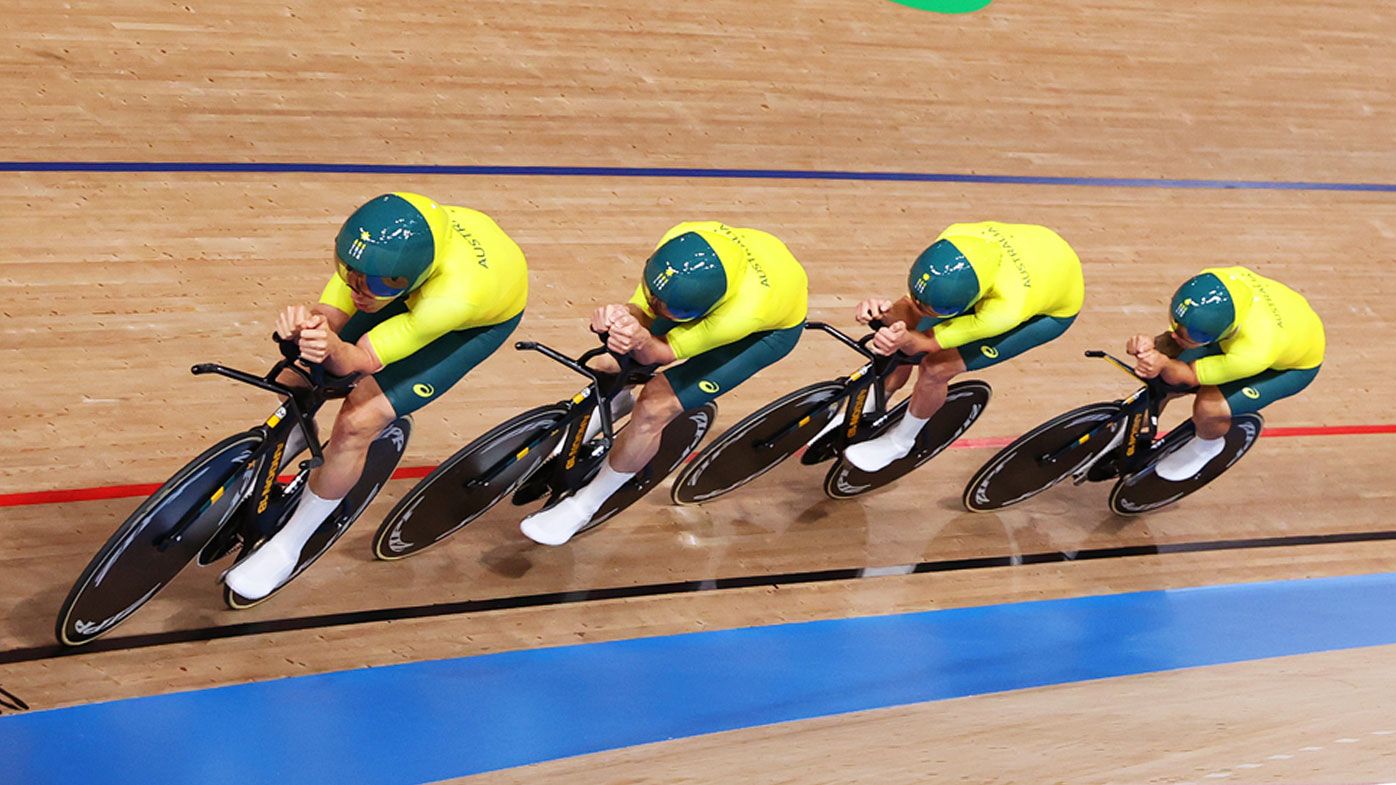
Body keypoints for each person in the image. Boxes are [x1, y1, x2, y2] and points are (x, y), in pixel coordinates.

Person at [225, 192, 528, 598]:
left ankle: (290, 544)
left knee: (357, 422)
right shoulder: (373, 257)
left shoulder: (452, 300)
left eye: (378, 284)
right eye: (350, 273)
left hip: (470, 321)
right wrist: (308, 331)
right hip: (421, 276)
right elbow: (331, 317)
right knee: (298, 372)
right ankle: (296, 431)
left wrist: (331, 348)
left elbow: (361, 358)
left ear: (406, 278)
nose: (360, 288)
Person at [519, 221, 809, 546]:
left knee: (655, 405)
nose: (659, 308)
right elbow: (642, 310)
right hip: (727, 288)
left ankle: (584, 505)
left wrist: (641, 338)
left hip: (765, 333)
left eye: (670, 309)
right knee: (609, 361)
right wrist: (620, 317)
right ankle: (615, 401)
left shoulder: (745, 313)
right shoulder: (680, 237)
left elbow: (659, 351)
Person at [845, 221, 1084, 471]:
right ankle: (876, 399)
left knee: (936, 368)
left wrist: (904, 338)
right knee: (909, 328)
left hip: (1047, 311)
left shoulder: (1005, 310)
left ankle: (900, 442)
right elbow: (912, 310)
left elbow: (924, 344)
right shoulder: (953, 237)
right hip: (1028, 260)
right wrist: (882, 312)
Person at [1126, 266, 1324, 480]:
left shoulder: (1254, 352)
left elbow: (1188, 376)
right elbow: (1176, 335)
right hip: (1268, 329)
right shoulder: (1213, 281)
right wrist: (1150, 346)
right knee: (1165, 370)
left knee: (1208, 407)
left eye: (1192, 334)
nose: (1176, 333)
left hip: (1290, 367)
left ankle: (1207, 447)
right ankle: (1138, 429)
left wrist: (1162, 362)